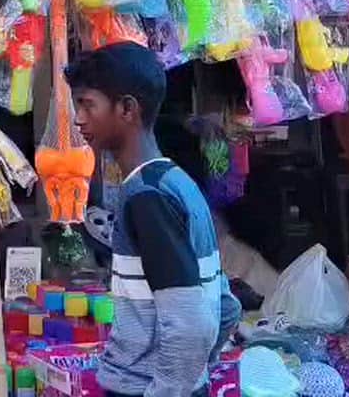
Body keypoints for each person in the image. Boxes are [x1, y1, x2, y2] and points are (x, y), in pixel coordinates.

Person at [65, 43, 240, 397]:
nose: (78, 118)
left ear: (127, 109)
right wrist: (195, 377)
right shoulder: (178, 183)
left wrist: (172, 387)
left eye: (88, 104)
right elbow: (225, 307)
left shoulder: (146, 197)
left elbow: (190, 324)